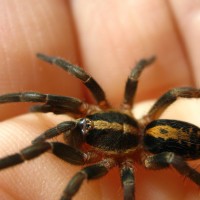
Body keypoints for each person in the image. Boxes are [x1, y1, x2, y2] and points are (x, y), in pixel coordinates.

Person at [0, 1, 199, 199]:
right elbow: (132, 74)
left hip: (158, 140)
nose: (83, 122)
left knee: (173, 108)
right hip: (153, 130)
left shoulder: (127, 161)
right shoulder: (99, 111)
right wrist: (141, 64)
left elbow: (127, 187)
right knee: (171, 94)